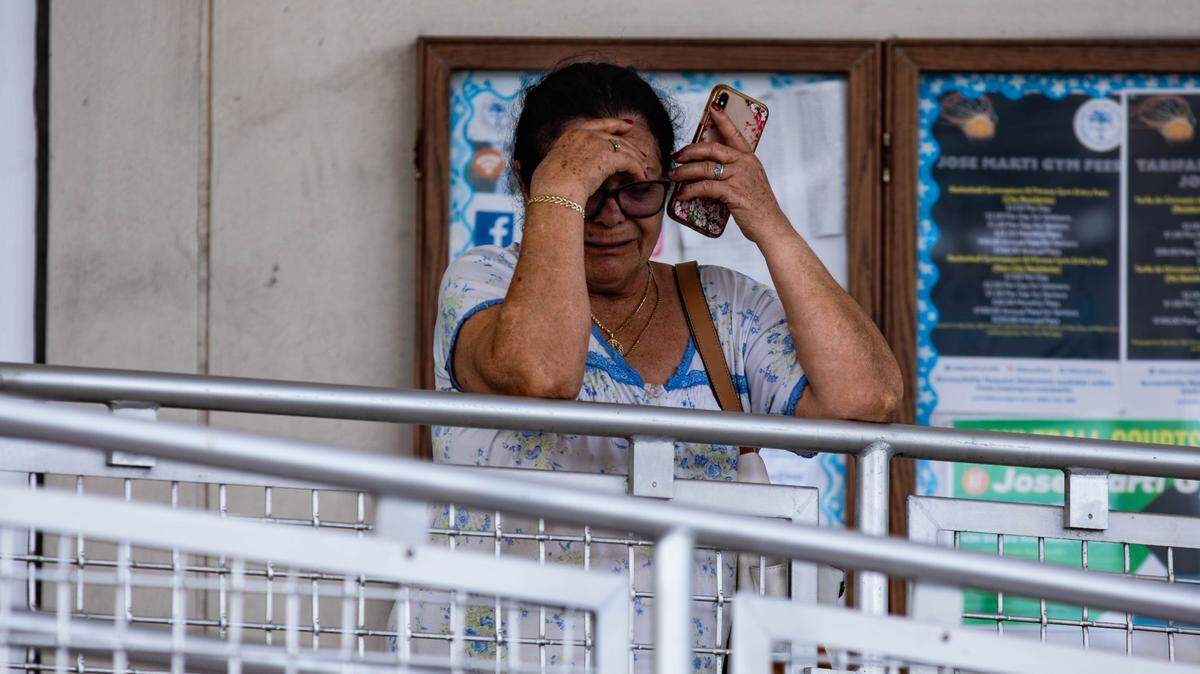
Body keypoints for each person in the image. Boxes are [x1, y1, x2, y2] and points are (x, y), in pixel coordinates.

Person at [427, 62, 902, 670]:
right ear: (528, 182)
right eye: (589, 188)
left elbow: (868, 403)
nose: (612, 215)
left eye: (637, 187)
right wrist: (559, 194)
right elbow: (539, 375)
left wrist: (767, 221)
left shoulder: (722, 305)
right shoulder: (483, 280)